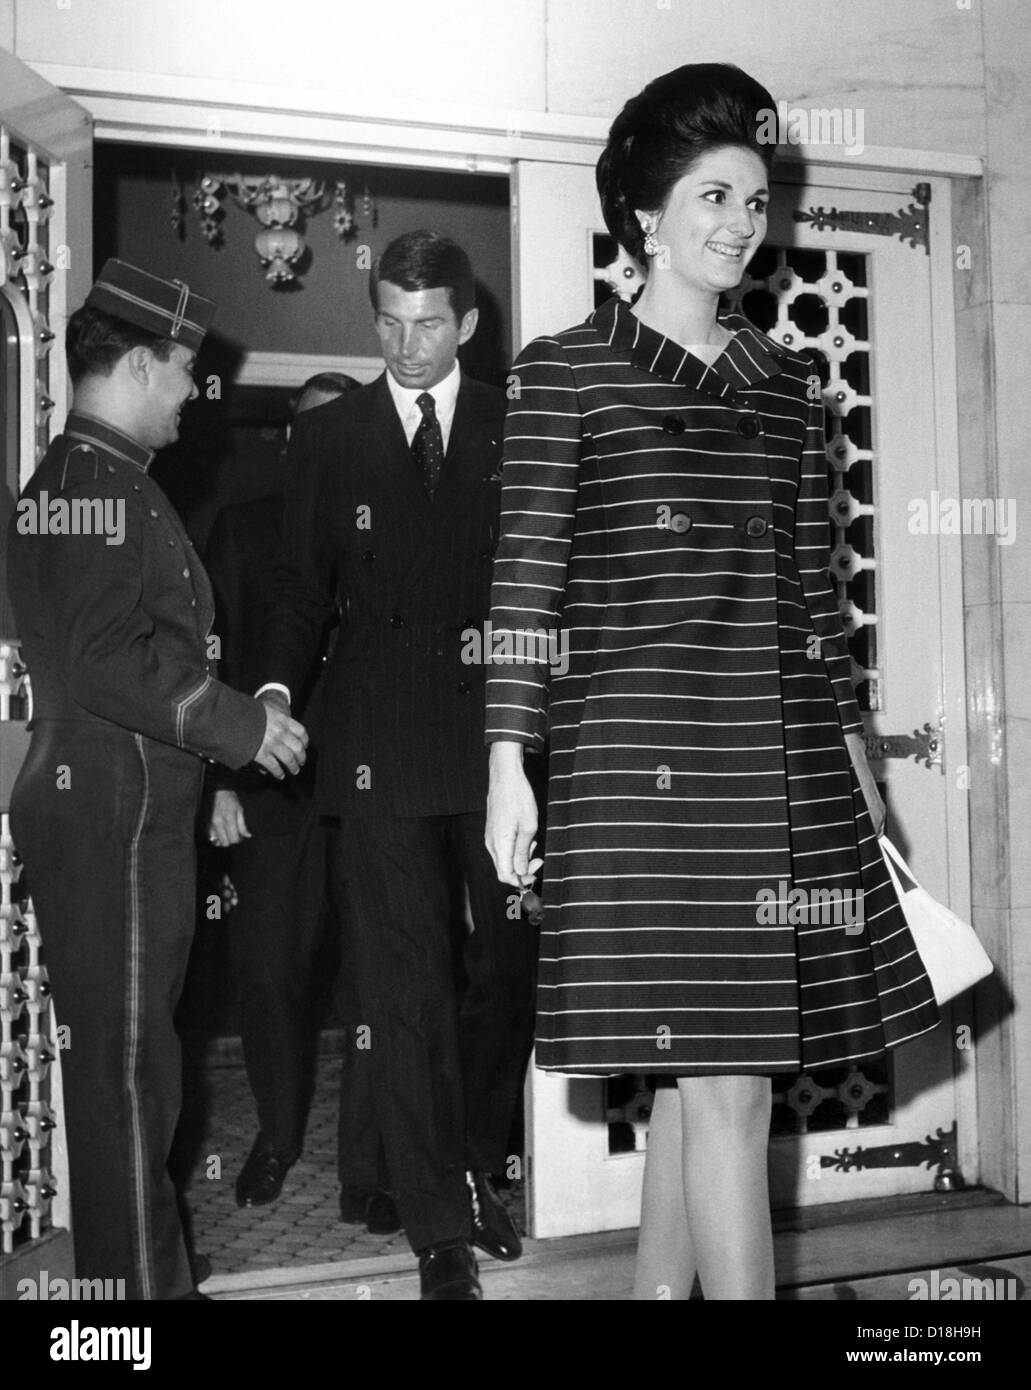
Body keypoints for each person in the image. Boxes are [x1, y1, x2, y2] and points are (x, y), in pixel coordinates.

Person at [484, 64, 941, 1302]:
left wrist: (858, 779)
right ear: (642, 212)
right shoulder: (566, 369)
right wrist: (504, 764)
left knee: (703, 1087)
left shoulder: (794, 388)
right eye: (712, 194)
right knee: (729, 1088)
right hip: (633, 777)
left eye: (755, 195)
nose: (742, 220)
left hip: (768, 768)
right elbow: (524, 581)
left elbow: (812, 608)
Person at [6, 259, 308, 1301]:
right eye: (181, 371)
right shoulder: (93, 486)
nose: (191, 392)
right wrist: (242, 724)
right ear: (137, 363)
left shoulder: (89, 478)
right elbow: (104, 656)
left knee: (128, 1078)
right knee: (128, 1083)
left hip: (114, 809)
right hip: (114, 822)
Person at [261, 231, 538, 1300]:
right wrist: (280, 687)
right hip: (374, 747)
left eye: (428, 324)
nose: (406, 345)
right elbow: (295, 589)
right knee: (403, 986)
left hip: (496, 744)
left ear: (465, 323)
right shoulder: (330, 438)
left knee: (510, 969)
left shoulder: (518, 422)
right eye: (386, 320)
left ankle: (470, 1154)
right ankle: (435, 1229)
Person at [204, 370, 398, 1232]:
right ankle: (276, 1137)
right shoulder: (244, 531)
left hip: (372, 796)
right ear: (291, 441)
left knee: (376, 980)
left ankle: (369, 1165)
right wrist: (216, 779)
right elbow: (205, 665)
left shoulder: (391, 530)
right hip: (267, 792)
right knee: (268, 971)